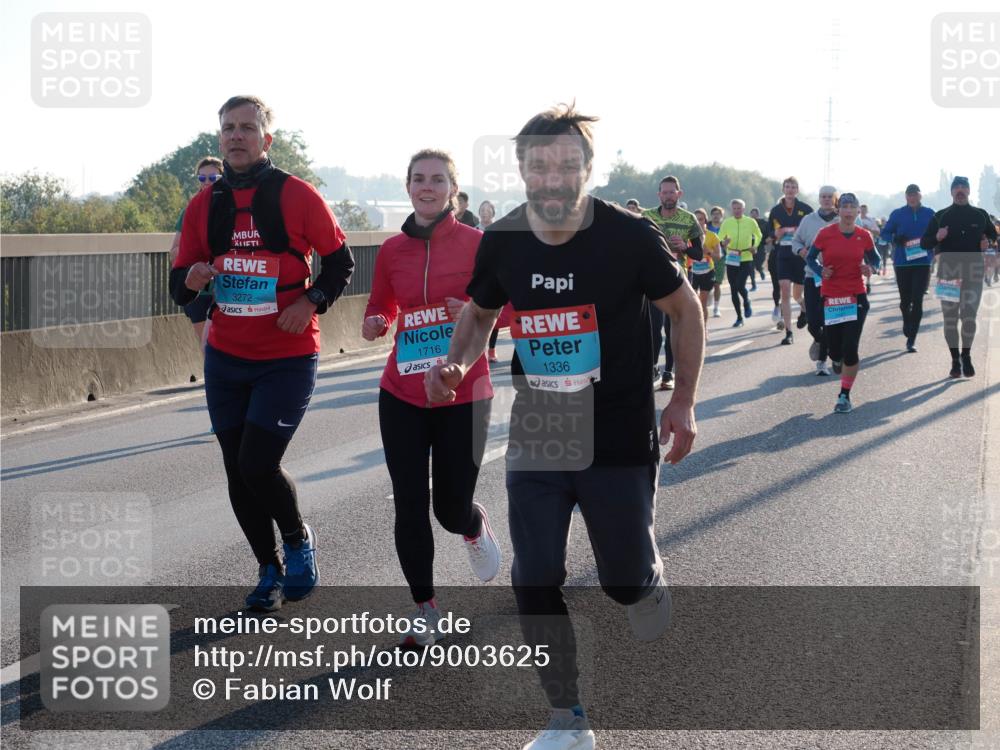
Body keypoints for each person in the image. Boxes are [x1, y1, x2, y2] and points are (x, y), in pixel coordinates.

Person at [425, 103, 704, 750]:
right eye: (540, 166)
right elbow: (480, 314)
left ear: (588, 168)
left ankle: (644, 581)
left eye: (567, 165)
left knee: (623, 581)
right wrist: (456, 363)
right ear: (522, 170)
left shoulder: (629, 236)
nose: (553, 178)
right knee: (534, 574)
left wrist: (684, 401)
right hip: (541, 426)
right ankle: (567, 720)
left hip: (618, 431)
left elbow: (685, 310)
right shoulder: (504, 239)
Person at [170, 95, 355, 612]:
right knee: (236, 470)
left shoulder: (297, 194)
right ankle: (267, 569)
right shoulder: (204, 204)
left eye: (247, 127)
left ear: (266, 138)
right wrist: (192, 277)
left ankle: (296, 539)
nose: (236, 135)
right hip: (227, 357)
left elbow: (341, 262)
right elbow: (179, 287)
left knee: (258, 463)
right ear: (220, 137)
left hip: (287, 356)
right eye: (228, 128)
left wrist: (311, 300)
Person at [362, 149, 500, 646]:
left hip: (465, 393)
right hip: (402, 391)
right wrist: (376, 321)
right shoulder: (392, 249)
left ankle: (472, 523)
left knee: (448, 508)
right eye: (418, 178)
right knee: (409, 504)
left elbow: (509, 310)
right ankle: (426, 609)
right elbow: (382, 304)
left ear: (452, 189)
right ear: (407, 187)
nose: (427, 186)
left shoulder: (479, 244)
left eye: (437, 179)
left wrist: (471, 309)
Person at [806, 192, 880, 413]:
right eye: (844, 207)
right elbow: (810, 257)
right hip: (831, 298)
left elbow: (875, 259)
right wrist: (821, 270)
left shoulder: (864, 235)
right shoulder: (825, 234)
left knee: (850, 348)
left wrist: (870, 268)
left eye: (852, 207)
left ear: (858, 211)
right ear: (838, 211)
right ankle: (835, 358)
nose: (848, 211)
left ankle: (844, 396)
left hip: (856, 296)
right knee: (835, 350)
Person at [920, 176, 999, 378]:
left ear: (969, 191)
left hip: (974, 270)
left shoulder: (981, 215)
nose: (960, 190)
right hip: (949, 270)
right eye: (957, 187)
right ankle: (955, 359)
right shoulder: (940, 216)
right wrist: (937, 237)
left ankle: (966, 354)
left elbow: (993, 235)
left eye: (964, 187)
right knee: (950, 319)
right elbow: (924, 243)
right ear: (952, 192)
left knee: (969, 315)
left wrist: (988, 242)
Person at [642, 176, 704, 390]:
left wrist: (685, 247)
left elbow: (699, 253)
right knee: (653, 327)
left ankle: (668, 372)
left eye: (672, 192)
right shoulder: (646, 217)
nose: (668, 196)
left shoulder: (689, 219)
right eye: (664, 192)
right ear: (659, 195)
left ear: (679, 194)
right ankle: (652, 367)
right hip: (651, 278)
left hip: (677, 280)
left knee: (672, 328)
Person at [169, 157, 223, 352]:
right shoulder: (191, 210)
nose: (206, 182)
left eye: (212, 178)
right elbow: (174, 251)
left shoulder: (234, 207)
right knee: (208, 346)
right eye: (202, 178)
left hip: (229, 289)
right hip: (200, 291)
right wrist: (196, 260)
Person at [791, 186, 840, 375]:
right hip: (813, 276)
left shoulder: (842, 219)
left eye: (829, 197)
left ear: (835, 199)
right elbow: (796, 241)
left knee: (829, 321)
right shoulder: (808, 220)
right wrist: (801, 250)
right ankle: (820, 340)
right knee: (813, 322)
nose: (826, 199)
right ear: (819, 199)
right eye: (823, 196)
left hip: (835, 278)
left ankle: (822, 361)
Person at [881, 184, 935, 352]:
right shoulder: (897, 214)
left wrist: (933, 241)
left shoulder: (929, 213)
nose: (912, 198)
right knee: (905, 301)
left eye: (915, 195)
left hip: (923, 262)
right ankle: (906, 319)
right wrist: (895, 238)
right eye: (909, 195)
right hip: (902, 263)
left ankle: (911, 340)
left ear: (920, 196)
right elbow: (884, 233)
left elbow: (937, 233)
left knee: (917, 300)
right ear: (906, 197)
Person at [769, 177, 813, 344]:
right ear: (783, 189)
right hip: (783, 254)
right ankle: (789, 332)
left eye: (793, 187)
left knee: (797, 295)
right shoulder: (776, 210)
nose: (790, 190)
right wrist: (775, 234)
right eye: (787, 187)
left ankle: (804, 310)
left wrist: (797, 232)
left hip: (800, 255)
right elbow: (770, 233)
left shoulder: (805, 209)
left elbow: (814, 229)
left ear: (797, 190)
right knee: (785, 290)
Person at [718, 199, 762, 326]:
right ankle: (739, 317)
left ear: (743, 209)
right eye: (734, 208)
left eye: (739, 208)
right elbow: (720, 237)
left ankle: (746, 300)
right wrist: (723, 243)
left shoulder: (750, 221)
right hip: (731, 257)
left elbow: (758, 235)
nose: (737, 211)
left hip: (746, 257)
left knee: (739, 285)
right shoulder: (727, 222)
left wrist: (755, 246)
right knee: (733, 289)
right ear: (731, 209)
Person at [692, 208, 722, 331]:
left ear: (705, 220)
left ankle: (703, 330)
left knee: (702, 302)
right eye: (696, 220)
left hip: (707, 272)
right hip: (692, 272)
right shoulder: (689, 236)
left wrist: (707, 251)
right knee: (693, 302)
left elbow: (718, 256)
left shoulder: (712, 236)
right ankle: (694, 327)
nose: (698, 222)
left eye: (700, 219)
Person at [708, 205, 726, 317]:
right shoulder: (706, 226)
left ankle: (716, 307)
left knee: (717, 284)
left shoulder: (725, 227)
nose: (716, 216)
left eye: (718, 214)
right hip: (707, 257)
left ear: (721, 216)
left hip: (720, 258)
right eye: (714, 214)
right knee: (707, 283)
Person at [750, 207, 768, 286]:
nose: (753, 215)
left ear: (758, 214)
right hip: (750, 247)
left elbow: (768, 232)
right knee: (751, 266)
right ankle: (753, 283)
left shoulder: (764, 223)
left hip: (760, 246)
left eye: (755, 214)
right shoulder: (747, 223)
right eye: (752, 214)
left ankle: (760, 270)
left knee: (758, 264)